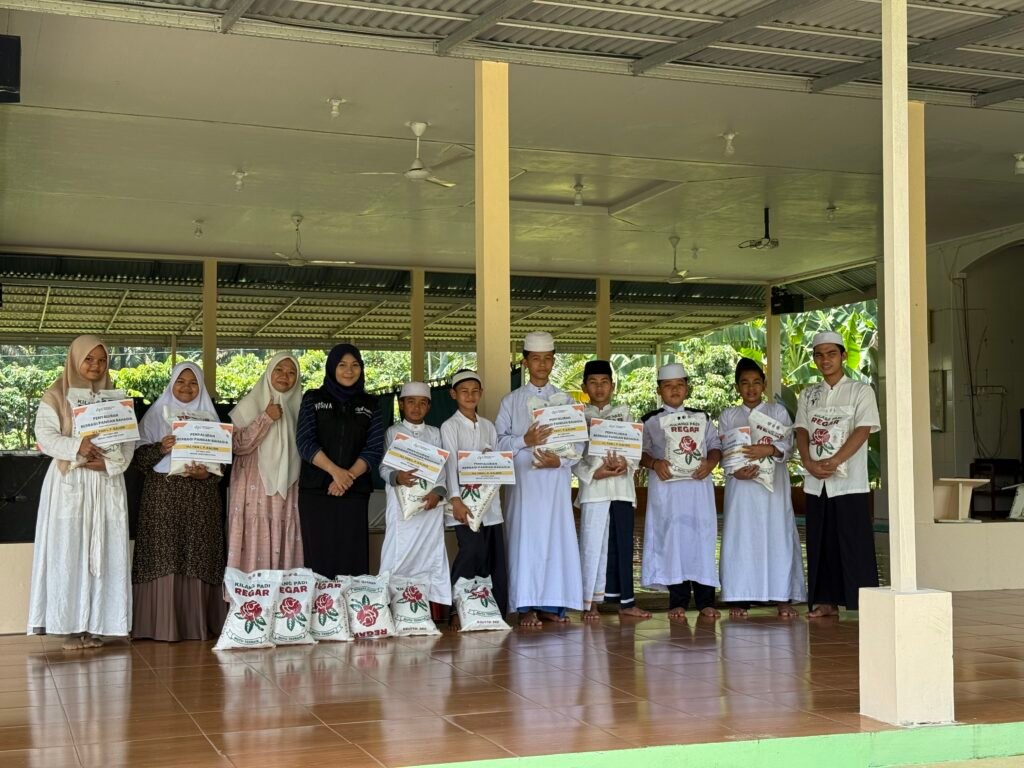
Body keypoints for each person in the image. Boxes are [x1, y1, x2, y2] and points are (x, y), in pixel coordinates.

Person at [27, 335, 133, 650]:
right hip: (70, 482)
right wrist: (78, 446)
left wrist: (110, 464)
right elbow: (45, 436)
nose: (95, 366)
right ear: (75, 359)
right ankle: (70, 629)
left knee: (106, 553)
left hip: (105, 483)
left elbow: (128, 443)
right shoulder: (56, 395)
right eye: (88, 359)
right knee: (69, 552)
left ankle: (99, 626)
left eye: (101, 360)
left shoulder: (117, 399)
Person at [132, 362, 226, 641]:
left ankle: (198, 625)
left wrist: (205, 473)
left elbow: (222, 464)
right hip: (163, 495)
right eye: (181, 381)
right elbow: (137, 459)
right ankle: (159, 625)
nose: (187, 387)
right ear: (172, 384)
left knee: (199, 554)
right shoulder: (154, 416)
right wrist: (161, 447)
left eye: (193, 382)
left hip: (201, 498)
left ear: (201, 387)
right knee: (164, 554)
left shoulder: (211, 418)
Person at [496, 331, 583, 628]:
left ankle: (552, 605)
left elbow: (578, 443)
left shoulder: (567, 400)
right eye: (536, 359)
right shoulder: (511, 401)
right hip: (525, 485)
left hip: (556, 482)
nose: (542, 364)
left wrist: (562, 460)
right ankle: (525, 606)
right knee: (526, 541)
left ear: (554, 361)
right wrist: (525, 440)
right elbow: (498, 443)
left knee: (556, 540)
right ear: (525, 362)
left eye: (547, 359)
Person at [794, 330, 880, 617]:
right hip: (816, 481)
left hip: (849, 481)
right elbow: (802, 430)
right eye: (819, 355)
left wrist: (836, 460)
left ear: (843, 355)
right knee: (822, 542)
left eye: (831, 353)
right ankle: (825, 601)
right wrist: (808, 461)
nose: (825, 360)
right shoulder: (809, 394)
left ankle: (865, 603)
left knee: (855, 543)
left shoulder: (861, 391)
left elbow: (863, 429)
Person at [719, 358, 806, 618]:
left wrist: (768, 449)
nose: (751, 388)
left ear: (764, 385)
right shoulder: (728, 415)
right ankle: (739, 596)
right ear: (737, 387)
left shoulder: (777, 412)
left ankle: (782, 596)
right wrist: (735, 471)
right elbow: (724, 451)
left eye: (756, 382)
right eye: (745, 383)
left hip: (772, 489)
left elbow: (788, 445)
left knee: (777, 536)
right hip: (742, 489)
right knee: (741, 538)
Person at [639, 362, 722, 620]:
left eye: (679, 385)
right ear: (659, 390)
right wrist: (654, 463)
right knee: (671, 541)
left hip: (698, 488)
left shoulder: (702, 418)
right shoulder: (649, 421)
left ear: (687, 388)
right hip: (667, 491)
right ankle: (678, 601)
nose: (674, 390)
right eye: (668, 386)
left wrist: (711, 463)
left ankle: (706, 601)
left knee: (701, 540)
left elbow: (715, 446)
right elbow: (639, 452)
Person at [296, 343, 384, 578]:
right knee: (319, 558)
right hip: (316, 491)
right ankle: (321, 602)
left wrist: (347, 477)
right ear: (332, 367)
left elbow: (374, 448)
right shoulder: (313, 398)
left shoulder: (371, 404)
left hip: (354, 493)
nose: (349, 370)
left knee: (352, 557)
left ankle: (352, 603)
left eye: (355, 365)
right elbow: (304, 442)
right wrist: (336, 472)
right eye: (342, 365)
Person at [574, 360, 650, 622]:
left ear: (613, 386)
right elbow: (572, 456)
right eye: (593, 382)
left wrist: (625, 463)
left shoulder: (625, 414)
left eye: (604, 382)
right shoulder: (578, 417)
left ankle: (626, 602)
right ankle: (590, 603)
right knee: (592, 546)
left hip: (622, 489)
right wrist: (592, 473)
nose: (599, 388)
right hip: (594, 490)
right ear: (584, 387)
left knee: (623, 546)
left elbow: (636, 449)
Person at [441, 369, 508, 626]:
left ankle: (492, 612)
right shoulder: (450, 426)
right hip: (463, 506)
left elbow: (496, 463)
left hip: (490, 506)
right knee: (472, 550)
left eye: (474, 391)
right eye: (464, 391)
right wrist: (455, 499)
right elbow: (449, 465)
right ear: (453, 394)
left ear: (481, 393)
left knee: (493, 557)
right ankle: (455, 608)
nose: (470, 396)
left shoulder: (488, 426)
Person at [226, 352, 304, 572]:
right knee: (253, 536)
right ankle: (249, 591)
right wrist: (265, 417)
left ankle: (282, 592)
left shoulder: (300, 409)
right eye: (279, 369)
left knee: (283, 534)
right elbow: (235, 445)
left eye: (291, 372)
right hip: (253, 484)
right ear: (269, 372)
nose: (284, 376)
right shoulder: (250, 404)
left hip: (288, 487)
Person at [378, 382, 450, 606]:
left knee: (431, 552)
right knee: (397, 552)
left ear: (429, 407)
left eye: (422, 403)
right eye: (411, 402)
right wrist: (397, 477)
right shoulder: (393, 432)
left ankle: (430, 606)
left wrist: (437, 492)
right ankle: (390, 604)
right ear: (401, 404)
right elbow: (384, 468)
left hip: (430, 505)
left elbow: (442, 468)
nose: (416, 408)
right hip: (402, 506)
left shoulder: (435, 433)